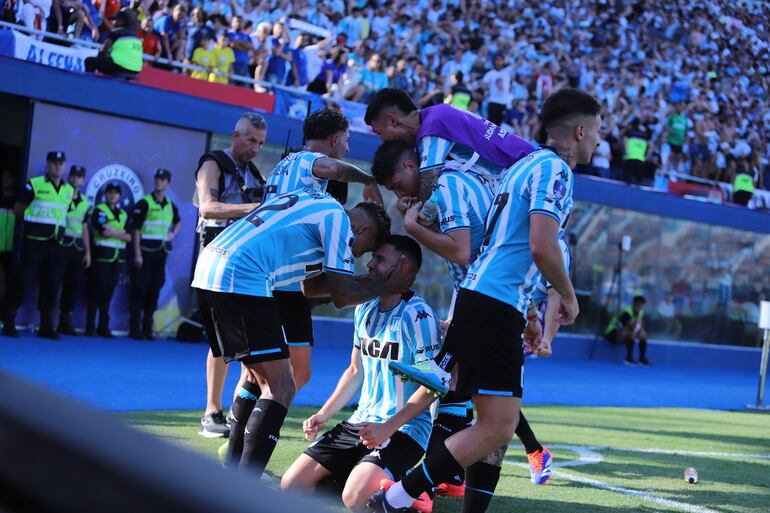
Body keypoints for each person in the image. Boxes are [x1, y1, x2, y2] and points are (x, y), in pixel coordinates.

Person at [369, 88, 599, 513]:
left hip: (485, 299)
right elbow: (541, 247)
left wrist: (528, 310)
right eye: (599, 131)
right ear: (581, 130)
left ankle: (395, 498)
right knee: (495, 427)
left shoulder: (520, 167)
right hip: (493, 304)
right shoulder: (555, 171)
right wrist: (568, 296)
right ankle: (395, 498)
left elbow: (502, 245)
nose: (600, 141)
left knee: (492, 422)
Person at [369, 141, 554, 506]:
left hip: (491, 302)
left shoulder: (449, 183)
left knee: (480, 406)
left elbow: (463, 251)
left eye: (397, 184)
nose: (399, 193)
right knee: (487, 409)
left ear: (412, 164)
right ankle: (419, 488)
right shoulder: (456, 182)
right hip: (485, 299)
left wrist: (412, 226)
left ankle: (405, 493)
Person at [191, 188, 408, 479]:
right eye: (365, 249)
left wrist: (363, 280)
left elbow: (311, 288)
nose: (359, 256)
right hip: (241, 274)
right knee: (282, 386)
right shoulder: (341, 225)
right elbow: (343, 297)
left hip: (210, 266)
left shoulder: (316, 199)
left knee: (256, 378)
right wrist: (388, 285)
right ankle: (244, 487)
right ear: (363, 229)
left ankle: (233, 472)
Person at [220, 108, 380, 467]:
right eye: (348, 140)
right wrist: (369, 178)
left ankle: (237, 457)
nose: (347, 146)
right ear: (336, 139)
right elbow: (331, 168)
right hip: (282, 283)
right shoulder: (307, 162)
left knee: (260, 375)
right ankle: (245, 461)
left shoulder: (287, 167)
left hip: (274, 278)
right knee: (287, 379)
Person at [280, 236, 436, 511]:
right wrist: (323, 414)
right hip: (360, 424)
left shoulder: (418, 314)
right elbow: (355, 370)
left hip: (404, 429)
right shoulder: (365, 307)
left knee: (354, 498)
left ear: (404, 267)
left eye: (380, 259)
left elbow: (431, 386)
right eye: (373, 257)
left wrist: (389, 426)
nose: (370, 263)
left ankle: (409, 492)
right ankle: (386, 485)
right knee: (291, 486)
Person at [194, 112, 267, 438]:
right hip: (215, 262)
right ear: (236, 135)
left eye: (261, 143)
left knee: (247, 341)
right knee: (222, 341)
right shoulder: (213, 163)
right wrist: (255, 209)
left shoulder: (253, 172)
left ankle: (238, 413)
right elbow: (207, 207)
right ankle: (211, 410)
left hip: (246, 264)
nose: (255, 147)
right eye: (251, 140)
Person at [364, 88, 535, 202]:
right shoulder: (435, 114)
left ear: (393, 121)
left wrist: (412, 207)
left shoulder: (433, 127)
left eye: (379, 133)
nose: (382, 140)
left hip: (528, 175)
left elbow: (428, 182)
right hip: (524, 171)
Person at [3, 151, 73, 339]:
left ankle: (46, 325)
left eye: (60, 163)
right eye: (54, 163)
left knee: (51, 284)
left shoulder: (69, 190)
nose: (57, 166)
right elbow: (18, 210)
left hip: (56, 244)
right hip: (33, 243)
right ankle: (9, 320)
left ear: (64, 166)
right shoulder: (33, 185)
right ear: (47, 165)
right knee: (22, 281)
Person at [128, 169, 181, 340]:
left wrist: (173, 233)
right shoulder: (145, 203)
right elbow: (135, 229)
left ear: (168, 183)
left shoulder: (169, 205)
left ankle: (147, 328)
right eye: (157, 178)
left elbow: (178, 220)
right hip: (144, 252)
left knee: (154, 290)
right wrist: (137, 254)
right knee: (139, 289)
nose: (159, 181)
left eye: (163, 179)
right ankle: (134, 329)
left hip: (161, 253)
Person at [86, 182, 130, 338]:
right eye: (110, 192)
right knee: (96, 291)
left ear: (119, 196)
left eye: (116, 193)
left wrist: (113, 231)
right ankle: (90, 326)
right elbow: (103, 232)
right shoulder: (99, 210)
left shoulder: (123, 213)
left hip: (117, 259)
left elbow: (129, 236)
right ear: (106, 194)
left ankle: (103, 326)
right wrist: (119, 233)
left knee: (108, 293)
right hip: (102, 256)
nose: (113, 195)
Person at [57, 165, 91, 335]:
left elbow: (84, 228)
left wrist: (88, 252)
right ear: (68, 177)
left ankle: (65, 321)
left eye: (79, 176)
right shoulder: (61, 194)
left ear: (83, 180)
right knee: (54, 282)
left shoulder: (85, 202)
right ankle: (47, 320)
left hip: (77, 247)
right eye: (73, 175)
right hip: (60, 244)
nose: (75, 179)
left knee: (72, 285)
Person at [84, 10, 143, 78]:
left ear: (122, 21)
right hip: (136, 70)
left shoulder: (116, 32)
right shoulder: (135, 36)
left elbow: (103, 50)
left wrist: (100, 58)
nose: (113, 22)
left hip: (120, 67)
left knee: (89, 61)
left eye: (115, 20)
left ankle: (88, 83)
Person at [605, 295, 650, 366]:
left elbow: (640, 325)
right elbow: (630, 326)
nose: (641, 307)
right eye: (640, 305)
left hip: (625, 332)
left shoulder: (640, 312)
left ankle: (642, 358)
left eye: (642, 305)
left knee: (643, 335)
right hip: (613, 332)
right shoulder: (626, 312)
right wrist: (638, 324)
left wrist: (640, 328)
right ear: (635, 304)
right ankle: (628, 358)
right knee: (632, 333)